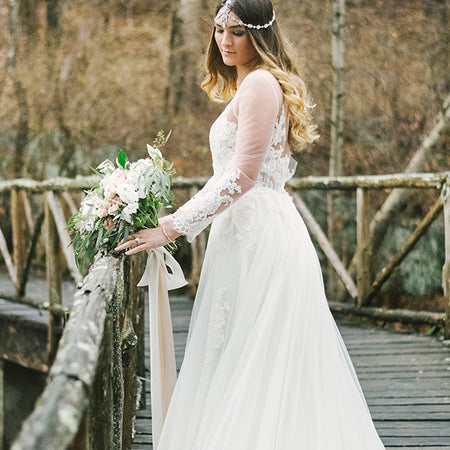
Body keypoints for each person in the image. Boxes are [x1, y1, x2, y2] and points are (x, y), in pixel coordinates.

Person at [116, 0, 385, 448]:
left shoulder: (260, 83)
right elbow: (231, 175)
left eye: (237, 32)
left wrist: (173, 228)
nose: (225, 40)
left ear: (258, 35)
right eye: (220, 29)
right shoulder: (248, 84)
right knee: (236, 355)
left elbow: (240, 177)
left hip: (260, 240)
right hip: (241, 235)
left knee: (259, 359)